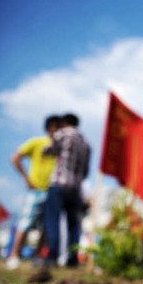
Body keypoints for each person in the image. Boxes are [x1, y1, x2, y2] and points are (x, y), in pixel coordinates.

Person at [6, 115, 61, 270]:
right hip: (36, 190)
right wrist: (26, 179)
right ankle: (14, 255)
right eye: (56, 128)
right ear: (50, 128)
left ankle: (37, 256)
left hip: (52, 190)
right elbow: (15, 158)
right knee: (25, 222)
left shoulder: (61, 147)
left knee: (47, 226)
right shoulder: (37, 143)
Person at [42, 113, 91, 273]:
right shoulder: (86, 143)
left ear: (64, 123)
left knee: (53, 221)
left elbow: (47, 150)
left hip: (58, 185)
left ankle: (52, 257)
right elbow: (85, 171)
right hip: (75, 188)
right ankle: (72, 259)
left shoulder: (62, 134)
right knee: (74, 226)